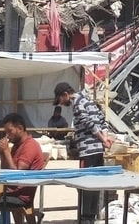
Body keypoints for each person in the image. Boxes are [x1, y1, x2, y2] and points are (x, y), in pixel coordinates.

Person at [54, 81, 112, 224]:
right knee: (96, 182)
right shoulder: (89, 101)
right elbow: (102, 121)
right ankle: (92, 215)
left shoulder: (77, 103)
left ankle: (86, 217)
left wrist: (102, 138)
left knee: (86, 183)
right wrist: (105, 138)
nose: (61, 103)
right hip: (98, 150)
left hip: (87, 150)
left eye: (61, 99)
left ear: (66, 94)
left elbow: (88, 123)